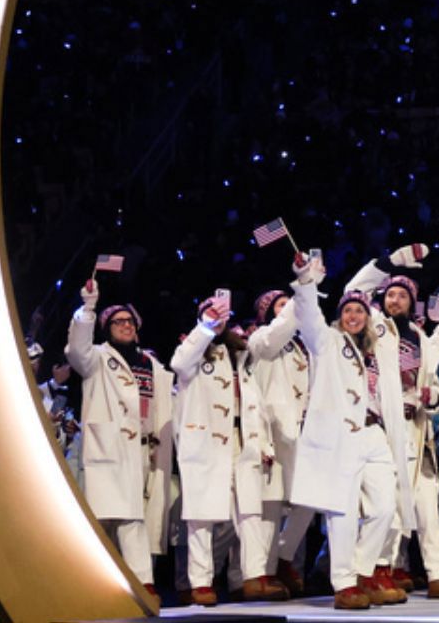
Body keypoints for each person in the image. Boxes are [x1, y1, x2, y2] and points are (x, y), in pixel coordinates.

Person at [287, 251, 416, 610]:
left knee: (386, 508)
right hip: (342, 437)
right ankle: (344, 582)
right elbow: (310, 315)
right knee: (342, 512)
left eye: (360, 310)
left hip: (376, 435)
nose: (354, 315)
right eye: (348, 310)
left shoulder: (379, 349)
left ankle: (362, 570)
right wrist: (306, 280)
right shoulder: (327, 342)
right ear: (340, 317)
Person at [343, 246, 439, 598]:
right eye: (390, 294)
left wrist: (435, 398)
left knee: (427, 506)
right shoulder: (375, 325)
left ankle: (438, 574)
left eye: (402, 295)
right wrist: (388, 263)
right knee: (389, 505)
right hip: (384, 429)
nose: (395, 300)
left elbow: (436, 384)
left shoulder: (419, 336)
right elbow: (355, 292)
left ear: (412, 301)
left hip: (418, 430)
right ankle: (380, 569)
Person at [168, 293, 282, 605]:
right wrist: (205, 326)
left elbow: (255, 403)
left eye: (221, 314)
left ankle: (255, 576)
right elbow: (178, 362)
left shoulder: (238, 355)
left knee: (250, 511)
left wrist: (262, 442)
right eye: (209, 313)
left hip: (241, 439)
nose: (217, 319)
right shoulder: (193, 354)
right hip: (205, 443)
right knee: (201, 516)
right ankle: (201, 582)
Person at [66, 280, 173, 594]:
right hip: (108, 448)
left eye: (129, 321)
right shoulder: (97, 357)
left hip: (141, 451)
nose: (125, 326)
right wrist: (88, 307)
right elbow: (76, 350)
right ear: (106, 328)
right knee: (105, 520)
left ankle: (139, 582)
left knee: (133, 516)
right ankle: (113, 582)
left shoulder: (151, 364)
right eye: (118, 322)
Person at [244, 279, 314, 595]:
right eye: (280, 305)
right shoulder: (260, 339)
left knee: (309, 499)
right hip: (270, 430)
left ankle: (283, 556)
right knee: (270, 504)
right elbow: (278, 331)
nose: (288, 310)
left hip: (301, 431)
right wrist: (303, 291)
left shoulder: (302, 345)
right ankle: (264, 572)